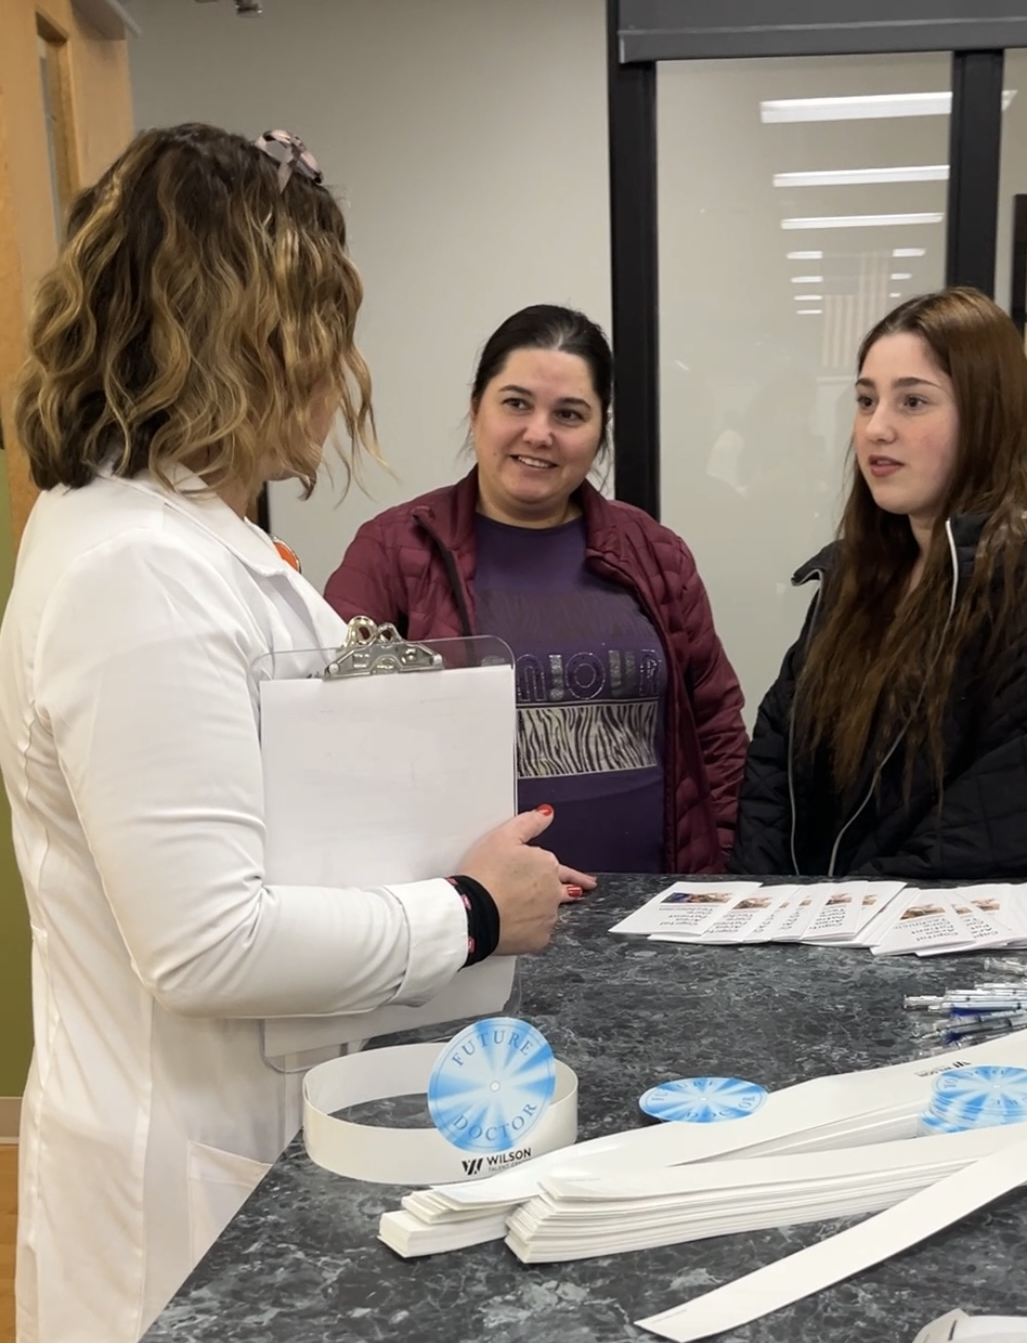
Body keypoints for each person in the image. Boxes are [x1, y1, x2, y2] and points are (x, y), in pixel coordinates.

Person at [0, 124, 576, 1343]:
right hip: (184, 1186)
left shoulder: (194, 540)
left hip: (269, 1123)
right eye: (329, 330)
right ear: (247, 338)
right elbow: (207, 943)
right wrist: (472, 908)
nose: (346, 371)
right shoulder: (134, 570)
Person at [731, 287, 1027, 881]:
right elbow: (776, 762)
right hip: (812, 937)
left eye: (913, 402)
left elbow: (996, 833)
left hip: (943, 945)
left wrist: (828, 919)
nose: (876, 429)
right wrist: (762, 898)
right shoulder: (853, 572)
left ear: (987, 415)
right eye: (866, 401)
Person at [325, 305, 747, 875]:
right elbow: (331, 738)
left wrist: (719, 867)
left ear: (600, 433)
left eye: (570, 414)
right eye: (516, 403)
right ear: (476, 410)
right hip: (474, 927)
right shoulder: (394, 552)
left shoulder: (656, 553)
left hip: (653, 917)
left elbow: (715, 726)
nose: (539, 433)